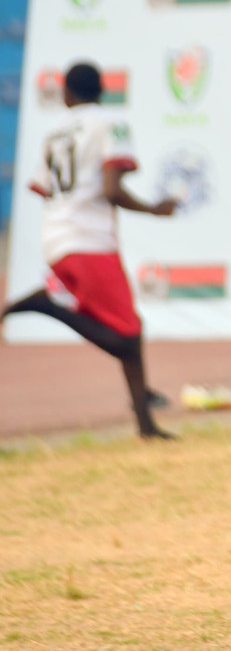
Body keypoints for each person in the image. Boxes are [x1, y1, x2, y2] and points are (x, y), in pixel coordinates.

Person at [3, 62, 178, 440]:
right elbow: (111, 189)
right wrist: (153, 209)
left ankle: (146, 425)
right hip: (89, 241)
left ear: (67, 94)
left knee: (131, 330)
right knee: (127, 336)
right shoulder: (110, 123)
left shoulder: (54, 131)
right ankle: (48, 303)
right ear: (101, 90)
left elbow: (45, 188)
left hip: (56, 238)